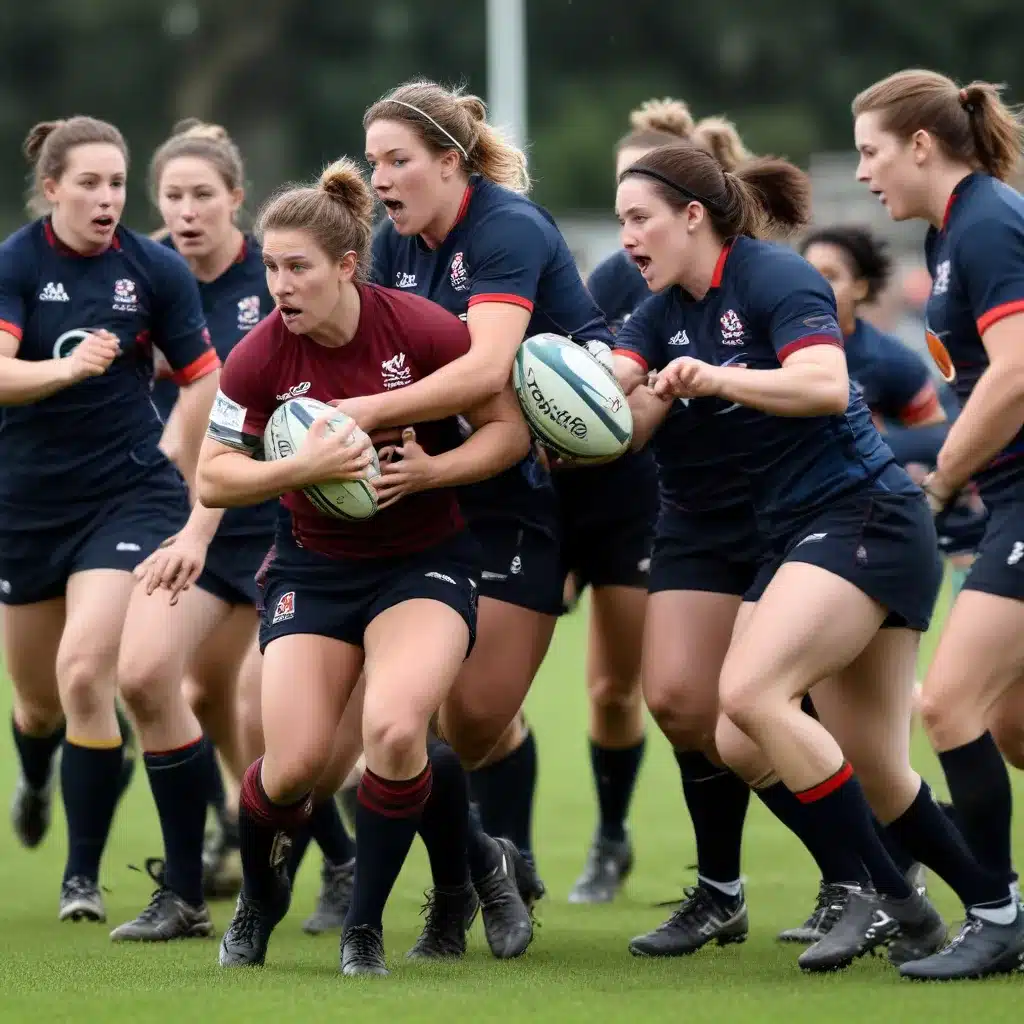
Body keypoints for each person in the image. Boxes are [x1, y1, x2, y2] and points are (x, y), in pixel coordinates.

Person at [613, 141, 1021, 979]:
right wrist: (572, 398)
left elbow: (826, 387)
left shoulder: (773, 277)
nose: (627, 238)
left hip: (863, 515)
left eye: (638, 219)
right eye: (620, 221)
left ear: (693, 216)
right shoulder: (658, 310)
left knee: (749, 695)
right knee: (852, 760)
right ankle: (996, 908)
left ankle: (887, 896)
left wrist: (720, 379)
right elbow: (620, 385)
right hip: (800, 533)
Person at [206, 158, 531, 976]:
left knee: (392, 731)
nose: (280, 284)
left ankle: (365, 929)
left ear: (346, 266)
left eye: (298, 268)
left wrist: (431, 472)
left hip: (424, 562)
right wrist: (297, 471)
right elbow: (214, 475)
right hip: (313, 571)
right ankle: (259, 900)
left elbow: (508, 432)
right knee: (292, 771)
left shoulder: (418, 328)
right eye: (270, 267)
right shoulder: (258, 358)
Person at [358, 78, 622, 957]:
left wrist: (357, 417)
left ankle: (512, 850)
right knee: (413, 720)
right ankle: (475, 875)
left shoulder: (504, 227)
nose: (383, 178)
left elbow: (483, 373)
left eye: (399, 160)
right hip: (442, 491)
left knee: (477, 720)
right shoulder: (390, 248)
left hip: (552, 486)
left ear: (450, 161)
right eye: (373, 162)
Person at [0, 116, 221, 933]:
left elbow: (206, 377)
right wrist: (67, 366)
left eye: (117, 183)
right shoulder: (17, 263)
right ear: (52, 187)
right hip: (26, 506)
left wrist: (176, 441)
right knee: (37, 704)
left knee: (87, 672)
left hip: (128, 498)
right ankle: (35, 773)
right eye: (88, 183)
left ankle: (81, 877)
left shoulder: (155, 269)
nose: (106, 198)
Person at [142, 119, 357, 928]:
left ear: (236, 199)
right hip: (193, 509)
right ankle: (262, 840)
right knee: (193, 690)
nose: (188, 211)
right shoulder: (152, 275)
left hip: (276, 517)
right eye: (173, 196)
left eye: (204, 194)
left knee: (254, 707)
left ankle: (310, 854)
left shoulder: (273, 281)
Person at [853, 68, 1024, 978]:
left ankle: (997, 914)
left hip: (1019, 503)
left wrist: (941, 478)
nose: (866, 171)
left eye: (872, 152)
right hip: (1009, 501)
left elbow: (1017, 370)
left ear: (922, 145)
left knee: (949, 703)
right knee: (1014, 726)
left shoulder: (988, 221)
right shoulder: (952, 229)